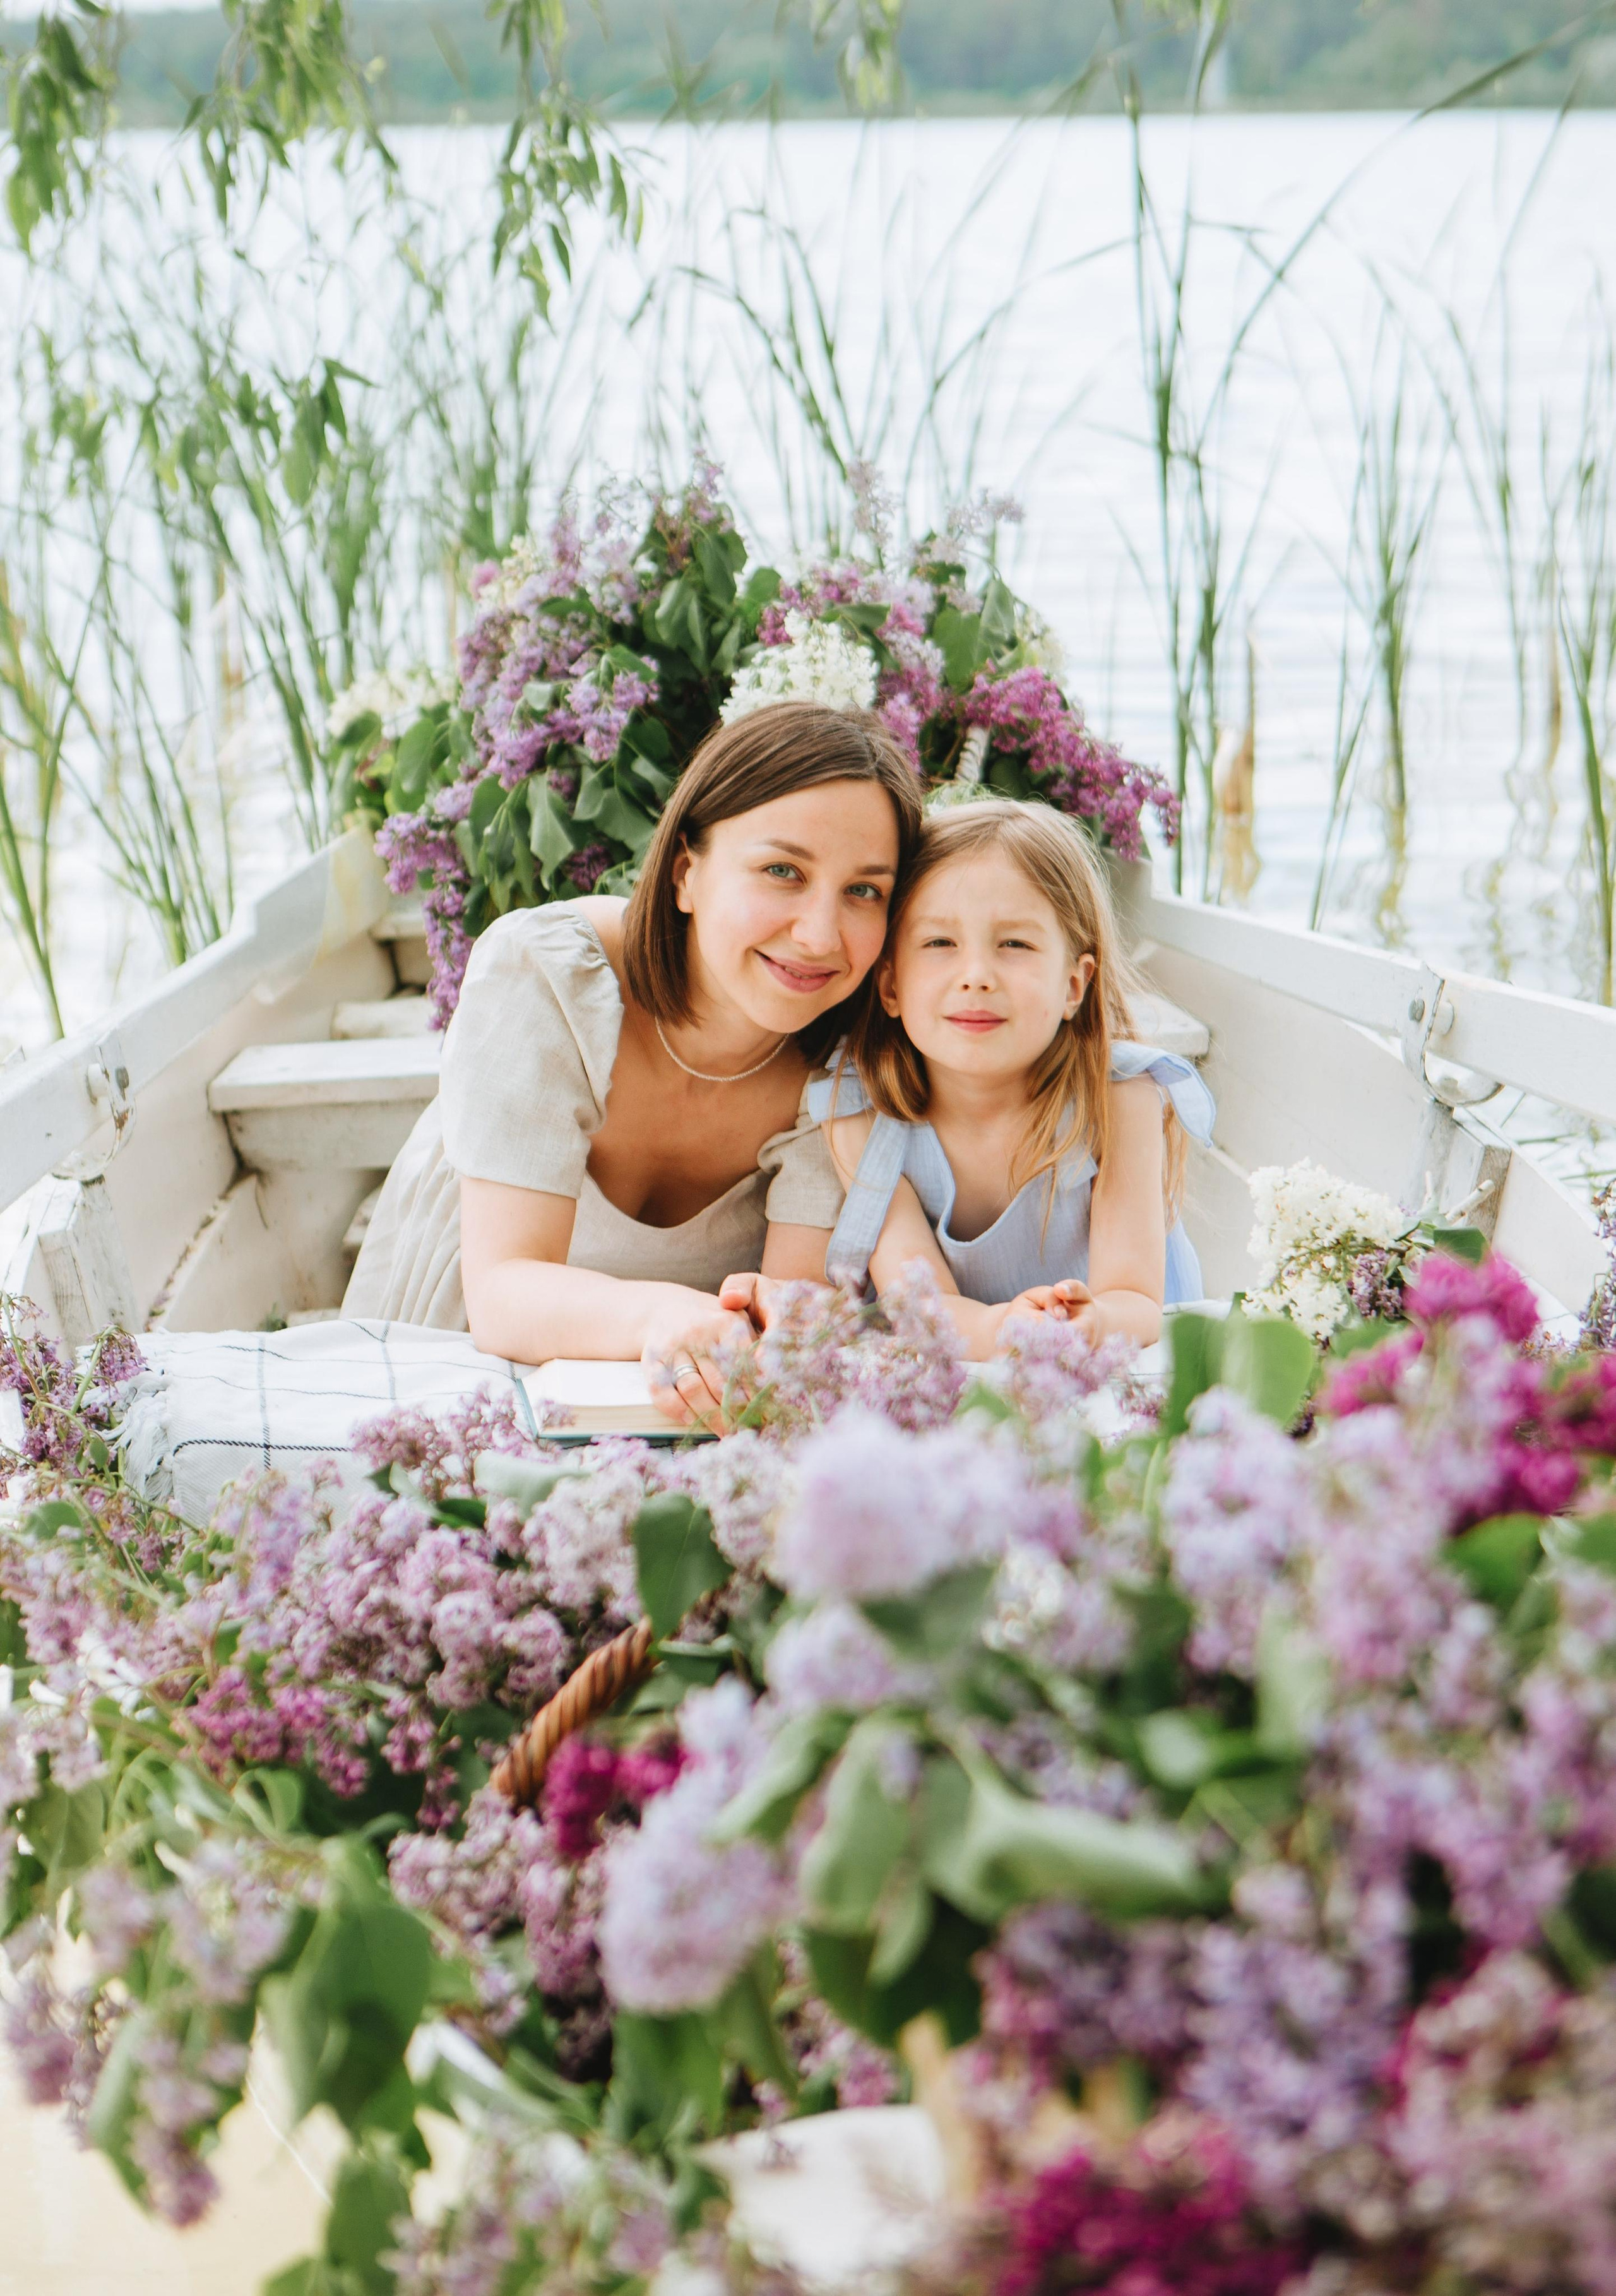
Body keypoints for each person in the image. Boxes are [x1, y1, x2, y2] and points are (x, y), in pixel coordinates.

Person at [343, 701, 923, 1421]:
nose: (818, 934)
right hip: (471, 1333)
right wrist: (659, 1314)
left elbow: (786, 1317)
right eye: (782, 870)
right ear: (686, 871)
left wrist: (788, 1320)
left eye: (863, 890)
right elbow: (501, 1292)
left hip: (674, 1386)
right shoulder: (549, 974)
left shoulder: (846, 1064)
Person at [807, 797, 1214, 1355]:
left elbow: (1135, 1299)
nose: (976, 976)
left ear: (1074, 985)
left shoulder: (1120, 1097)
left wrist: (1090, 1322)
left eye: (1015, 944)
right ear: (892, 985)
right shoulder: (859, 1111)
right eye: (940, 943)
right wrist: (1009, 1329)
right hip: (968, 1366)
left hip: (1122, 1374)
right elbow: (922, 1306)